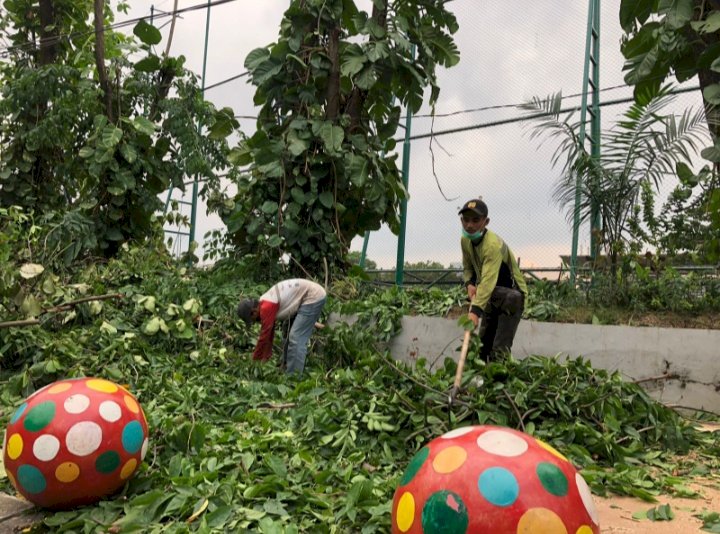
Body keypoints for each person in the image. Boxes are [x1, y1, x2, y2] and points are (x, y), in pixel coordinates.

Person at [459, 198, 528, 361]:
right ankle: (479, 383)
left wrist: (475, 312)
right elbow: (467, 266)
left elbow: (488, 281)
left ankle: (500, 379)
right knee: (482, 349)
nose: (470, 225)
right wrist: (469, 284)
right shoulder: (465, 240)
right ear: (461, 220)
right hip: (491, 295)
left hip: (512, 297)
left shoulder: (492, 245)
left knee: (498, 352)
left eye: (476, 220)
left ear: (486, 222)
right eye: (466, 220)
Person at [237, 279, 327, 374]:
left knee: (296, 337)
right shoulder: (265, 302)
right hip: (302, 299)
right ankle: (285, 365)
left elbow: (264, 336)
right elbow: (269, 334)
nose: (255, 322)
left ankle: (294, 377)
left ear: (254, 311)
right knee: (286, 329)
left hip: (312, 297)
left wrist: (255, 359)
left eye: (253, 319)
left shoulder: (266, 307)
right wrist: (266, 356)